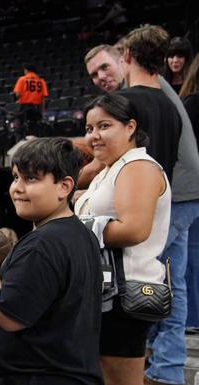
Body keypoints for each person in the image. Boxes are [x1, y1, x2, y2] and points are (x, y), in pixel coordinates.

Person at [0, 137, 103, 385]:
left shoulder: (43, 244)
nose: (17, 188)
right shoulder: (81, 233)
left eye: (31, 179)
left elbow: (8, 316)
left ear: (64, 186)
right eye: (15, 177)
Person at [114, 25, 199, 385]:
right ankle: (165, 368)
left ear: (127, 57)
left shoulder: (143, 95)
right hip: (179, 196)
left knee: (141, 278)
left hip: (166, 198)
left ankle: (145, 362)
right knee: (171, 283)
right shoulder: (168, 97)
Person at [74, 94, 171, 385]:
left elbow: (134, 230)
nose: (94, 136)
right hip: (104, 291)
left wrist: (74, 229)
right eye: (89, 129)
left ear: (130, 127)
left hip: (123, 293)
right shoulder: (109, 168)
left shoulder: (137, 166)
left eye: (104, 126)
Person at [180, 53, 199, 333]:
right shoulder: (191, 103)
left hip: (191, 192)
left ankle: (193, 319)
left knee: (192, 257)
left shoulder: (191, 103)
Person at [12, 64, 49, 139]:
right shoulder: (41, 81)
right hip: (36, 108)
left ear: (26, 70)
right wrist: (42, 112)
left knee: (20, 126)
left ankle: (20, 142)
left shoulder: (22, 79)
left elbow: (17, 94)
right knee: (36, 128)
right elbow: (43, 99)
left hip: (25, 108)